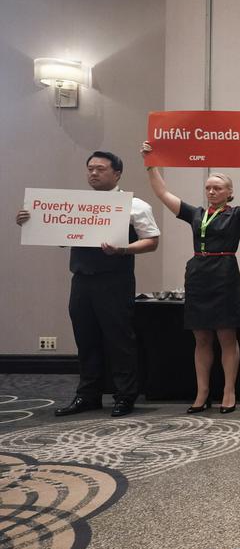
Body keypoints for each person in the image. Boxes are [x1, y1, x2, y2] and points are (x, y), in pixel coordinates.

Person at [15, 151, 160, 418]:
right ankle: (87, 395)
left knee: (119, 339)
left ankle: (124, 396)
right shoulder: (76, 206)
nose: (93, 173)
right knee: (86, 338)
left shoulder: (135, 205)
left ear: (117, 173)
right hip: (81, 280)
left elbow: (151, 241)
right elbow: (60, 236)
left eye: (100, 169)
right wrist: (31, 221)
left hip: (114, 280)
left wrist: (123, 250)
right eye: (90, 169)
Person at [141, 139, 240, 414]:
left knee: (226, 337)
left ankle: (229, 391)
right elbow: (162, 193)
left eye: (217, 187)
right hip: (198, 275)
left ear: (230, 192)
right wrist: (150, 162)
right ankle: (202, 392)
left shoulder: (238, 215)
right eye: (208, 187)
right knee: (201, 339)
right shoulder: (196, 213)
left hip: (225, 275)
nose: (211, 191)